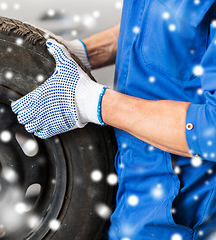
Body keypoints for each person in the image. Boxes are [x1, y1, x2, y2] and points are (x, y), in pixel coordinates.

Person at [11, 1, 216, 239]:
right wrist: (83, 53)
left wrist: (96, 103)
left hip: (178, 217)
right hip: (134, 196)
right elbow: (160, 24)